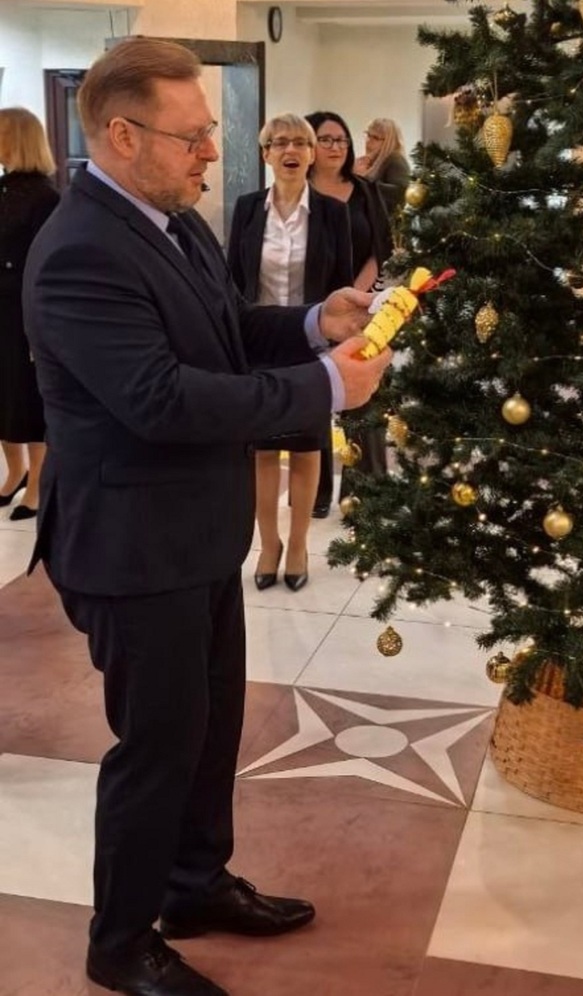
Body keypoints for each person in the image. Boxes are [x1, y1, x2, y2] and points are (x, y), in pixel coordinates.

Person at [22, 38, 391, 996]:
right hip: (130, 545)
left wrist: (320, 324)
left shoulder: (170, 223)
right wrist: (323, 390)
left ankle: (193, 884)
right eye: (192, 138)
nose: (210, 155)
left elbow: (225, 335)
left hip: (194, 532)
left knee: (211, 725)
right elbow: (161, 399)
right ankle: (120, 944)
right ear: (120, 133)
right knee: (157, 747)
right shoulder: (79, 253)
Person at [227, 113, 353, 589]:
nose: (291, 150)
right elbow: (232, 282)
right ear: (265, 154)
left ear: (312, 153)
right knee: (260, 451)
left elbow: (340, 284)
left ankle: (297, 543)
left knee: (305, 447)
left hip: (309, 341)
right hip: (258, 342)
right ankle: (268, 544)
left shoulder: (332, 213)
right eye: (279, 142)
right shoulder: (245, 209)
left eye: (301, 141)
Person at [306, 110, 393, 503]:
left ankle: (367, 494)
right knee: (312, 398)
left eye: (341, 139)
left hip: (361, 305)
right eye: (325, 139)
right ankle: (316, 493)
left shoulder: (364, 191)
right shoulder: (297, 191)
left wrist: (357, 297)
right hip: (308, 311)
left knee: (364, 398)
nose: (335, 147)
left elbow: (381, 247)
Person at [0, 108, 59, 520]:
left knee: (26, 395)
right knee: (2, 394)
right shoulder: (2, 189)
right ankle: (14, 469)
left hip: (23, 310)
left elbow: (47, 264)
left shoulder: (46, 197)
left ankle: (37, 480)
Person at [353, 117, 410, 215]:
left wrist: (361, 180)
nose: (368, 141)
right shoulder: (370, 161)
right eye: (368, 135)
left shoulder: (395, 160)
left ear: (389, 141)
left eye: (375, 138)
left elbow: (400, 193)